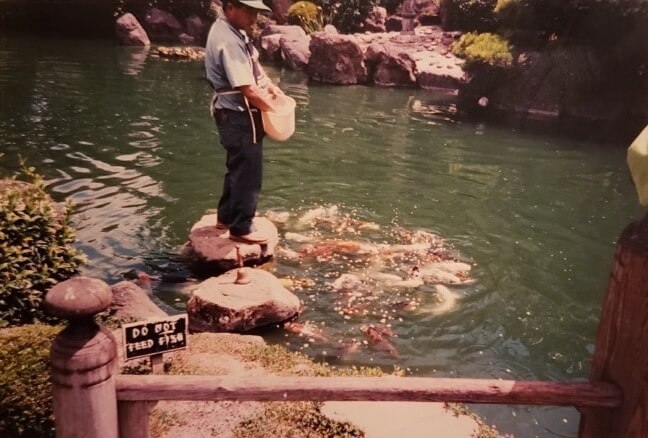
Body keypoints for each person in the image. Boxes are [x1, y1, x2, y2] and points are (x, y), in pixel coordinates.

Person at [205, 0, 283, 244]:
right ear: (229, 7)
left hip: (230, 113)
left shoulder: (231, 31)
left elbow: (254, 68)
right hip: (238, 114)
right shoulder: (227, 40)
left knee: (236, 165)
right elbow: (248, 89)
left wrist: (271, 86)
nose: (253, 17)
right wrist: (275, 110)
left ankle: (226, 217)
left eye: (256, 12)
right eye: (248, 11)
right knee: (249, 170)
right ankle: (241, 229)